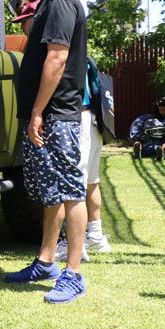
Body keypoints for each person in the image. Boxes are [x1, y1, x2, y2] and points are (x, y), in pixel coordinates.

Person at [4, 0, 90, 304]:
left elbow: (57, 57)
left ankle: (74, 274)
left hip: (57, 115)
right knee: (51, 193)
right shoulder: (48, 4)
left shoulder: (61, 1)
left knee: (70, 190)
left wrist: (38, 111)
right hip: (46, 115)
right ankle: (45, 262)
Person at [55, 56, 112, 262]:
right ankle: (95, 236)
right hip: (95, 122)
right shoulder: (86, 57)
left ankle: (74, 244)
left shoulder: (66, 55)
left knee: (74, 184)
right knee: (91, 181)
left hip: (79, 119)